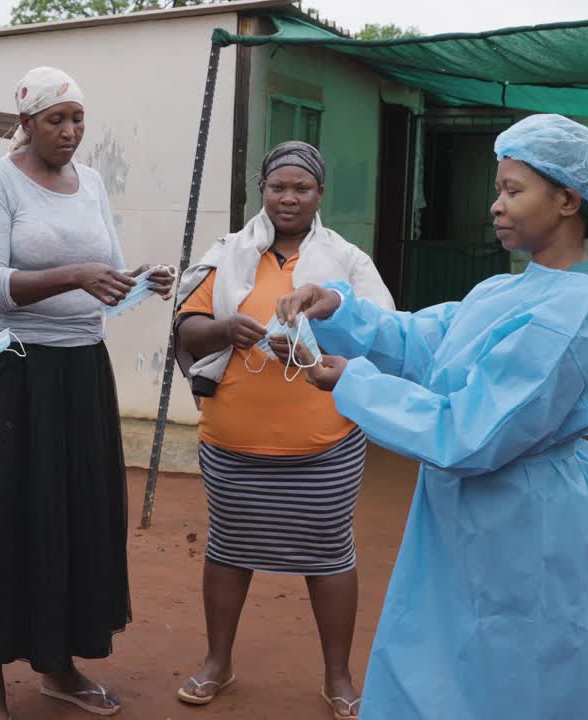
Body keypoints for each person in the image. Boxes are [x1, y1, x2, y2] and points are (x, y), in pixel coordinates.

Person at [277, 114, 588, 720]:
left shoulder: (583, 315)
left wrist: (354, 385)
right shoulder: (504, 292)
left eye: (512, 190)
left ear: (568, 201)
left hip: (526, 524)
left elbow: (474, 432)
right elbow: (422, 343)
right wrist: (336, 309)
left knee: (514, 670)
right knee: (441, 658)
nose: (495, 205)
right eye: (498, 189)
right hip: (464, 517)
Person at [0, 66, 174, 720]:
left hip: (81, 371)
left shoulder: (92, 183)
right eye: (56, 119)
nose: (71, 132)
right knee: (6, 516)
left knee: (74, 518)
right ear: (26, 122)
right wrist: (73, 272)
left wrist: (139, 280)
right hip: (14, 374)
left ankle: (60, 666)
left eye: (77, 119)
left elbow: (103, 274)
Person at [172, 141, 394, 719]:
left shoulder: (346, 261)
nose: (288, 198)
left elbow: (384, 332)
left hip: (324, 444)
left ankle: (338, 676)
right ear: (261, 191)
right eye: (278, 187)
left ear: (320, 195)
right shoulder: (227, 254)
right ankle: (218, 662)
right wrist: (226, 330)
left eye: (301, 188)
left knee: (327, 555)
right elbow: (188, 328)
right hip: (232, 442)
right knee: (228, 549)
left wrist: (319, 326)